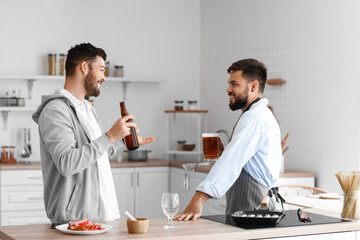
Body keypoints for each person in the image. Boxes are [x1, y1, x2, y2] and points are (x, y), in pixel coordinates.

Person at [32, 43, 155, 227]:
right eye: (102, 70)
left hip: (103, 217)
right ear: (84, 67)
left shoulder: (88, 108)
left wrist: (120, 140)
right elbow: (67, 162)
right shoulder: (55, 110)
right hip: (74, 223)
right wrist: (109, 137)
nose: (104, 77)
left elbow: (95, 154)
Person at [174, 59, 282, 221]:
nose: (228, 89)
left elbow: (230, 161)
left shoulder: (254, 118)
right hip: (258, 201)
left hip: (253, 205)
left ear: (253, 86)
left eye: (234, 84)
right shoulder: (260, 114)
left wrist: (198, 199)